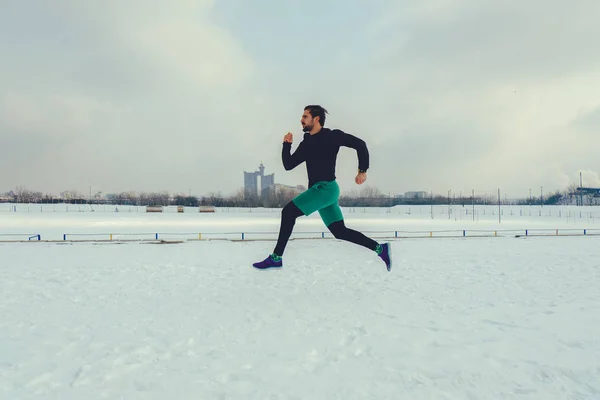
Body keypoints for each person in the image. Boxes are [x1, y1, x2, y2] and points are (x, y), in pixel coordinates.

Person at [252, 105, 392, 271]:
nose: (301, 120)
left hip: (325, 189)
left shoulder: (333, 136)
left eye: (305, 117)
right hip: (323, 192)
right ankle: (380, 249)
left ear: (316, 119)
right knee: (339, 231)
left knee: (288, 213)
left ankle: (276, 257)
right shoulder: (306, 143)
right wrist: (286, 145)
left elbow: (360, 145)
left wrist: (362, 170)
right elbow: (289, 165)